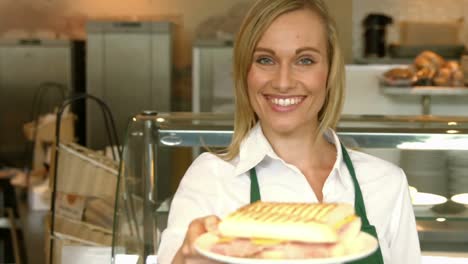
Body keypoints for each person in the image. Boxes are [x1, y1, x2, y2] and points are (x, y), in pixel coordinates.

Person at [158, 0, 421, 263]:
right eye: (265, 60)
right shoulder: (210, 179)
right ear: (244, 72)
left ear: (329, 72)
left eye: (305, 60)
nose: (283, 82)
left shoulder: (386, 183)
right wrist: (185, 258)